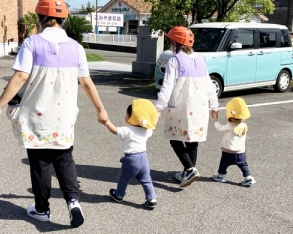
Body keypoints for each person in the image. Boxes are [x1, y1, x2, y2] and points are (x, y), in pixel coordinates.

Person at [0, 0, 108, 227]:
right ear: (64, 18)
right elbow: (86, 82)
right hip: (63, 118)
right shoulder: (76, 48)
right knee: (65, 160)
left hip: (37, 118)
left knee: (41, 164)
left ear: (39, 17)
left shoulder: (32, 43)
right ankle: (73, 202)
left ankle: (42, 210)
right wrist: (100, 109)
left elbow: (21, 76)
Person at [155, 26, 219, 188]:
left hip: (181, 106)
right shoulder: (200, 59)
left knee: (174, 137)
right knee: (192, 139)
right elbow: (209, 83)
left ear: (175, 42)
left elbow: (167, 86)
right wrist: (214, 105)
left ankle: (190, 168)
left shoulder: (175, 60)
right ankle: (187, 172)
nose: (169, 43)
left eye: (170, 40)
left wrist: (159, 107)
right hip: (200, 106)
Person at [104, 99, 158, 208]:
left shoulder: (128, 130)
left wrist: (106, 122)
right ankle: (151, 198)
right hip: (143, 158)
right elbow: (152, 125)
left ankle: (118, 194)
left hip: (131, 160)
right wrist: (155, 117)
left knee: (124, 178)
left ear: (131, 117)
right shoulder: (146, 130)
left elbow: (115, 130)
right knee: (146, 179)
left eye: (127, 114)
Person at [212, 97, 256, 186]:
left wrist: (215, 120)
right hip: (240, 152)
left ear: (231, 118)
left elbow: (219, 128)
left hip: (228, 151)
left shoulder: (229, 126)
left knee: (223, 163)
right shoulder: (244, 125)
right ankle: (249, 178)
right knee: (243, 165)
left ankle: (221, 175)